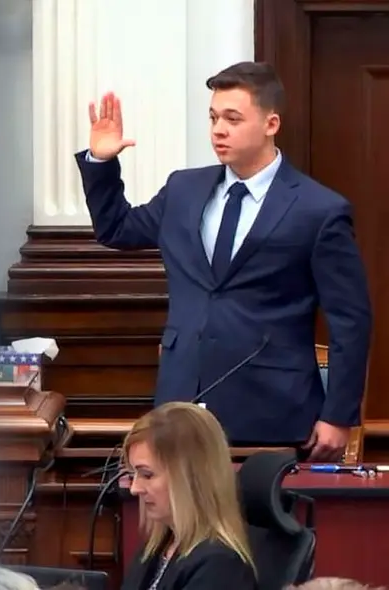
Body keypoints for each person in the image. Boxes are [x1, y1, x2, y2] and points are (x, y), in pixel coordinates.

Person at [75, 61, 372, 459]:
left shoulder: (319, 210)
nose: (218, 129)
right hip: (180, 408)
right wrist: (102, 163)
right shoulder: (184, 189)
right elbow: (117, 229)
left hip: (273, 414)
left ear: (271, 124)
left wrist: (338, 415)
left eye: (233, 118)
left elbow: (350, 320)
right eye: (214, 117)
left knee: (260, 522)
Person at [120, 402, 256, 590]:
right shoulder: (157, 547)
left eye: (147, 475)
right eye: (132, 475)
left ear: (190, 478)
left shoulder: (219, 567)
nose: (135, 489)